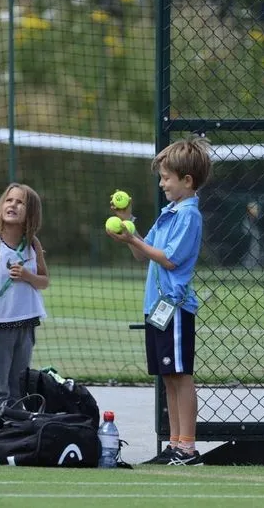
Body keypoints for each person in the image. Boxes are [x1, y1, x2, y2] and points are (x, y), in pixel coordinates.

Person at [106, 136, 212, 466]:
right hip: (156, 308)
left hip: (175, 307)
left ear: (187, 181)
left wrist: (134, 237)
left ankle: (188, 448)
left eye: (167, 178)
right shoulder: (169, 212)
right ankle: (174, 443)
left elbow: (167, 259)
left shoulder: (188, 216)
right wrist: (127, 227)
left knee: (181, 375)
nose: (163, 183)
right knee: (168, 376)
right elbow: (142, 254)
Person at [0, 183, 49, 411]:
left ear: (31, 212)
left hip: (25, 324)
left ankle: (15, 431)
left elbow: (44, 281)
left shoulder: (32, 244)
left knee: (18, 386)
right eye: (9, 200)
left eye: (20, 202)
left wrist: (28, 275)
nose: (13, 205)